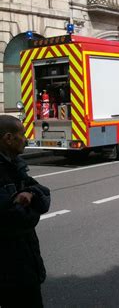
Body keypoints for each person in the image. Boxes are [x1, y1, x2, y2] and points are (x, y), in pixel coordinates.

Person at [0, 115, 51, 308]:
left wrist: (29, 194)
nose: (26, 139)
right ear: (8, 138)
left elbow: (44, 197)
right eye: (22, 134)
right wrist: (27, 207)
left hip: (25, 264)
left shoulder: (16, 166)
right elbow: (17, 219)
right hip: (10, 270)